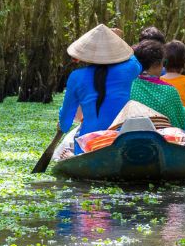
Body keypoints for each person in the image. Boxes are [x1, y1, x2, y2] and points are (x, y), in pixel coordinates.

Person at [58, 24, 141, 154]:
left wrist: (62, 125)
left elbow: (66, 120)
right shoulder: (129, 70)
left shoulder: (76, 76)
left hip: (88, 144)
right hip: (121, 141)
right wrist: (118, 41)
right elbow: (133, 59)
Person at [130, 40, 185, 132]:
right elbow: (181, 124)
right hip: (164, 140)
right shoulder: (170, 91)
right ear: (156, 64)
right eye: (163, 63)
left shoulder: (130, 85)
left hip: (135, 134)